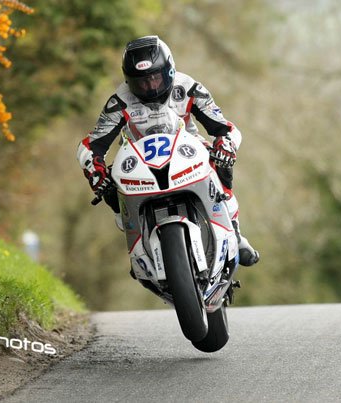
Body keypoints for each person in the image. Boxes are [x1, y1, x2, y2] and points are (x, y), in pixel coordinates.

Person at [76, 35, 259, 266]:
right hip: (140, 160)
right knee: (110, 185)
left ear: (170, 70)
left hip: (187, 148)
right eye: (141, 82)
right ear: (128, 80)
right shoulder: (119, 101)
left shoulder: (189, 87)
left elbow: (225, 127)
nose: (150, 87)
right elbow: (90, 145)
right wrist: (96, 172)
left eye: (155, 79)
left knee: (221, 162)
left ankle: (235, 233)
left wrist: (226, 145)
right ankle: (138, 249)